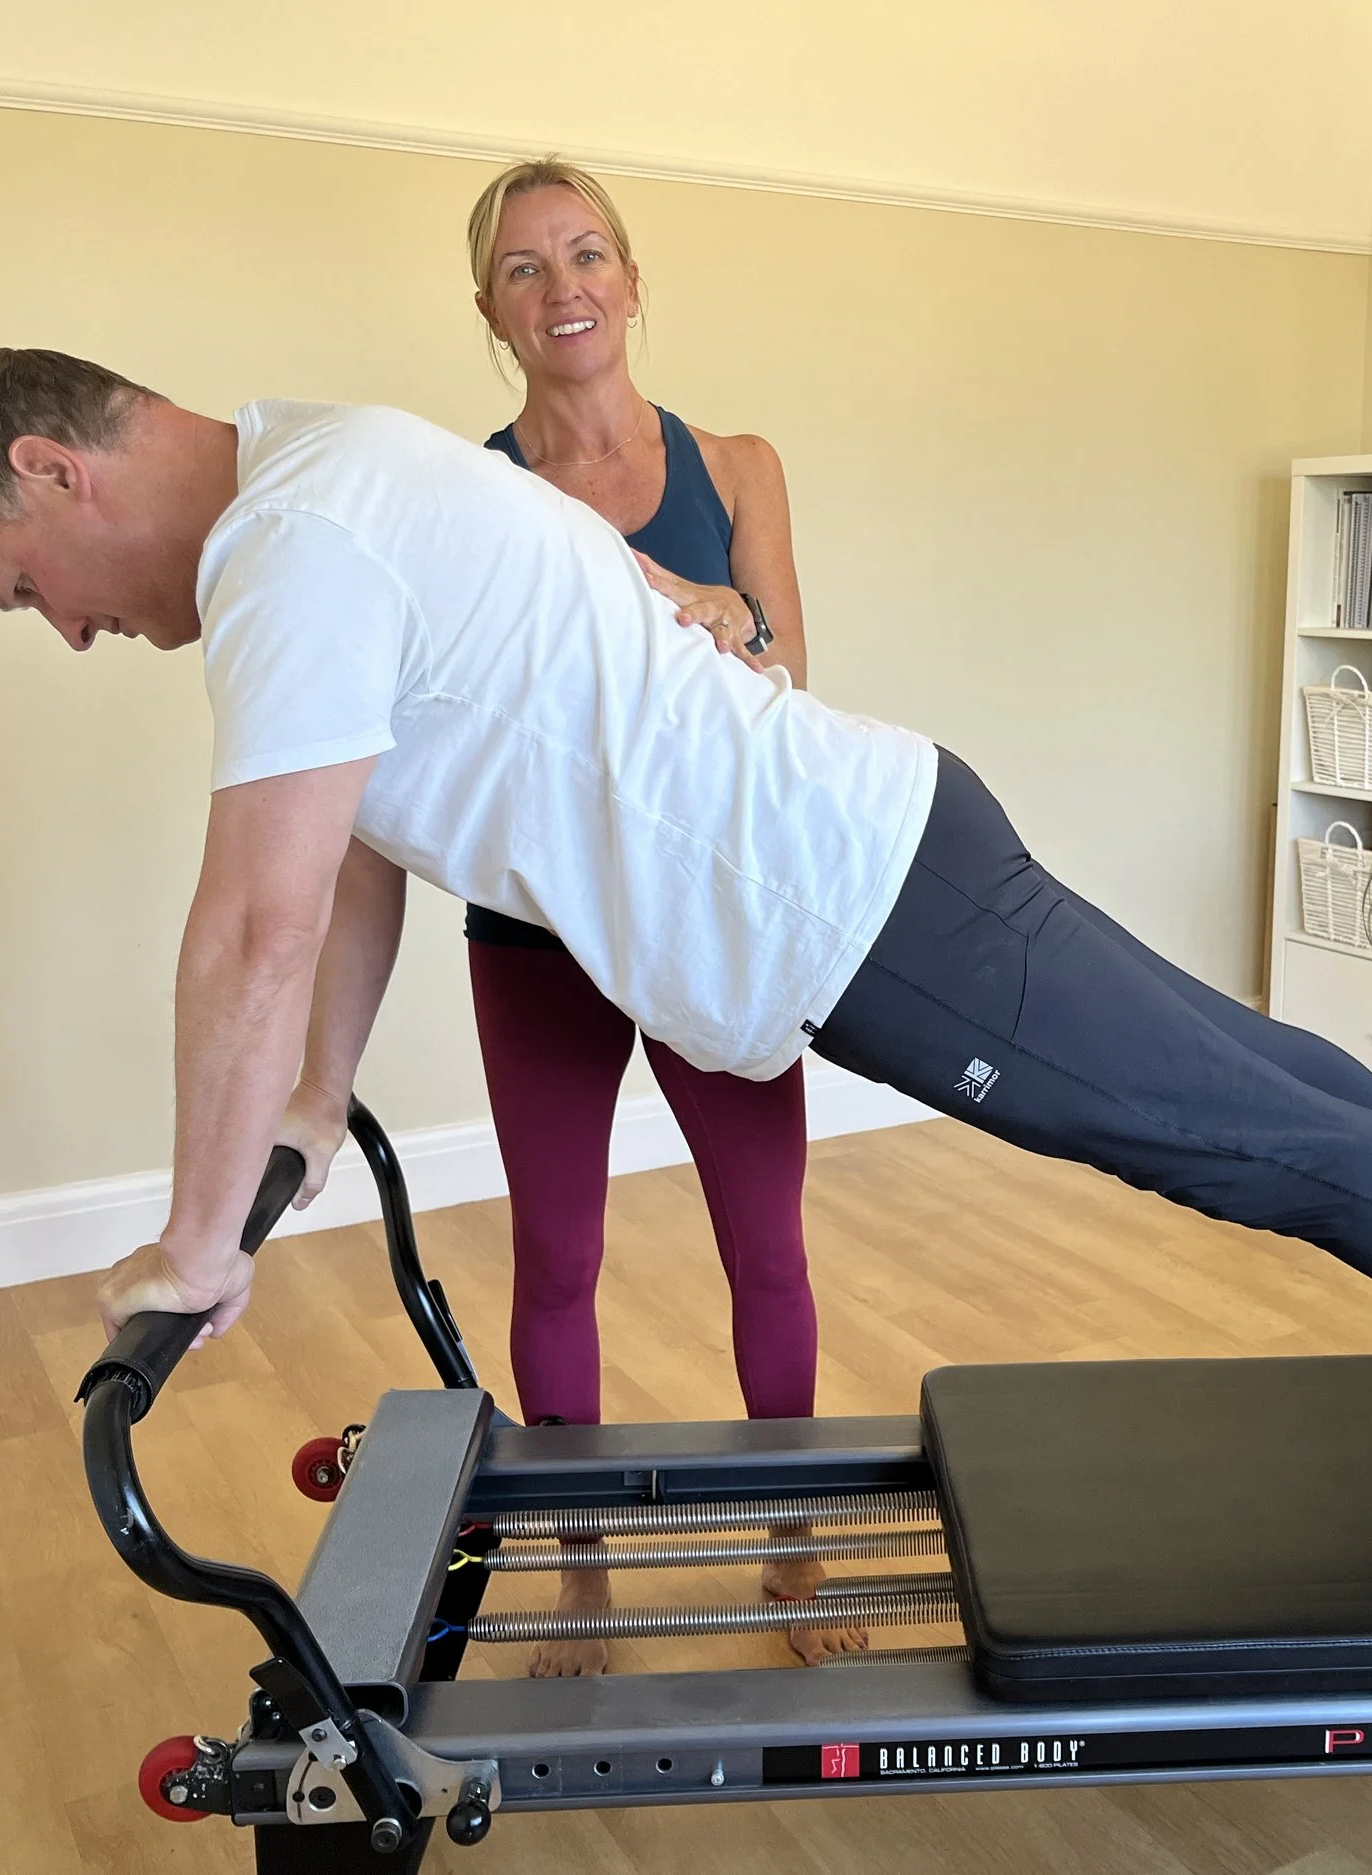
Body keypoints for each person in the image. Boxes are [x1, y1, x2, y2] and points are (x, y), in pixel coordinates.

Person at [0, 349, 1372, 1566]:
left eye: (18, 589)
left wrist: (199, 1235)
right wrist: (306, 1100)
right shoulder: (333, 462)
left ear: (57, 472)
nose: (60, 633)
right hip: (886, 836)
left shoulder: (284, 551)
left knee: (1251, 1141)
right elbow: (354, 865)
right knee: (1275, 1085)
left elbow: (252, 917)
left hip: (855, 902)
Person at [446, 161, 839, 1671]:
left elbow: (786, 675)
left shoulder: (738, 465)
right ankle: (584, 1578)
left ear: (632, 275)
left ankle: (798, 1556)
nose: (565, 290)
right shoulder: (475, 492)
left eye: (587, 253)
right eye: (527, 269)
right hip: (540, 931)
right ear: (490, 307)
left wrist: (678, 596)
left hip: (710, 921)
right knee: (556, 1258)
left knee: (770, 1250)